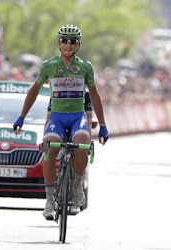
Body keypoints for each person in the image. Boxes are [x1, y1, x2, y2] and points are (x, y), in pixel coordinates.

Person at [13, 24, 109, 220]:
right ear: (59, 43)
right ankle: (49, 199)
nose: (68, 44)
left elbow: (95, 96)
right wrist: (21, 117)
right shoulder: (48, 66)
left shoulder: (85, 66)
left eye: (72, 41)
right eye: (64, 40)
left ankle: (76, 186)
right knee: (49, 147)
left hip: (77, 117)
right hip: (57, 117)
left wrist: (104, 125)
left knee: (83, 142)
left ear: (78, 45)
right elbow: (34, 91)